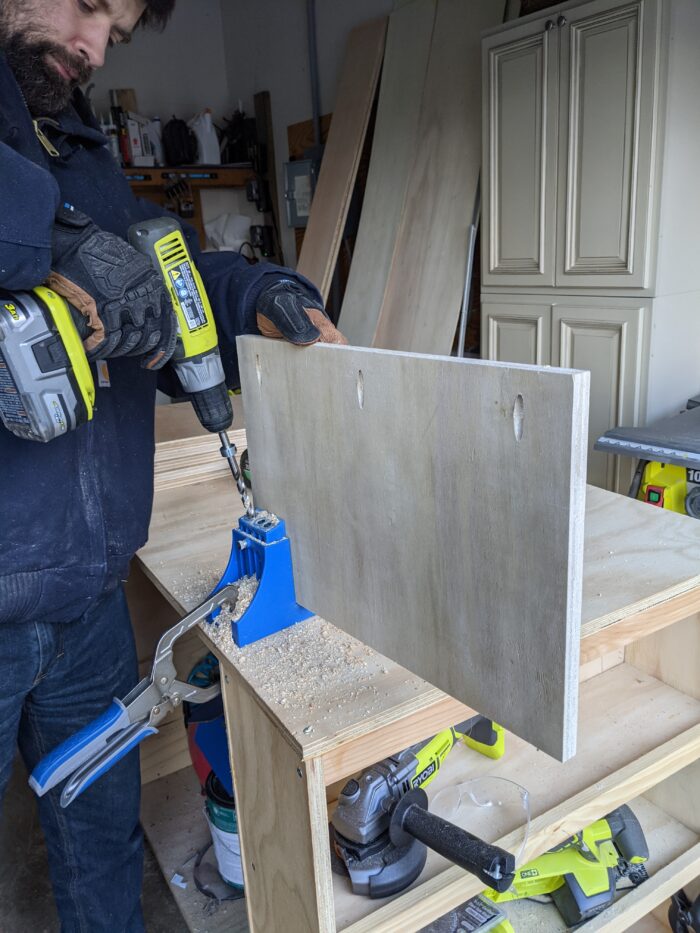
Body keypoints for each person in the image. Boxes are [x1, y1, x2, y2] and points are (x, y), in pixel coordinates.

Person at [0, 2, 345, 930]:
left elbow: (172, 261)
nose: (95, 44)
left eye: (116, 25)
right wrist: (56, 253)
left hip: (90, 601)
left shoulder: (77, 147)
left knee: (100, 838)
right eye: (87, 5)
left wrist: (263, 292)